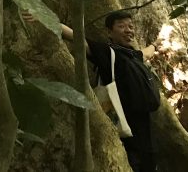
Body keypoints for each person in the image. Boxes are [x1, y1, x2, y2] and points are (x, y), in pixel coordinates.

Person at [60, 10, 161, 172]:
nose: (128, 30)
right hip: (124, 129)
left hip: (146, 130)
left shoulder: (133, 55)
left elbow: (146, 53)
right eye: (121, 26)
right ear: (109, 32)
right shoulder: (108, 53)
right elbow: (78, 39)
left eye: (131, 26)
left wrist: (155, 45)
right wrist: (45, 18)